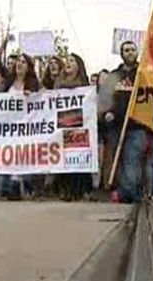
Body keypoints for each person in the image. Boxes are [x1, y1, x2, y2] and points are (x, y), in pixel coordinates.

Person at [0, 53, 41, 200]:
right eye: (18, 61)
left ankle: (17, 183)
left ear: (29, 67)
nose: (19, 64)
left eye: (23, 62)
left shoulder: (33, 85)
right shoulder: (8, 82)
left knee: (20, 156)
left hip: (25, 129)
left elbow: (43, 101)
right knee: (5, 155)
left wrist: (32, 96)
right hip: (7, 128)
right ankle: (2, 187)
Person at [105, 41, 148, 203]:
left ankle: (127, 193)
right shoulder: (114, 76)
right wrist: (107, 113)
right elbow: (105, 99)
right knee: (119, 162)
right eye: (126, 50)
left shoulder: (143, 74)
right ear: (121, 54)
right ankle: (128, 194)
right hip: (116, 126)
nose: (130, 53)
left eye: (132, 50)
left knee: (132, 161)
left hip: (137, 126)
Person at [54, 53, 91, 201]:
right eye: (67, 60)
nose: (68, 63)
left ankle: (79, 189)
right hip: (61, 124)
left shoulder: (84, 85)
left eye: (72, 61)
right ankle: (65, 189)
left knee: (76, 157)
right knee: (63, 158)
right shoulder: (58, 83)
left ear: (78, 65)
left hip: (78, 124)